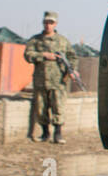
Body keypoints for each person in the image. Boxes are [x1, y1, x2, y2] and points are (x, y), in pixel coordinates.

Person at [23, 11, 76, 144]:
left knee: (58, 107)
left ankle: (58, 134)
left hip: (58, 81)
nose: (48, 25)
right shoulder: (35, 40)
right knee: (41, 108)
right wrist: (43, 55)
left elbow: (72, 57)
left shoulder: (62, 41)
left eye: (51, 23)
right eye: (46, 22)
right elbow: (28, 55)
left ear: (55, 24)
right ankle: (45, 133)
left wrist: (72, 70)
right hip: (41, 80)